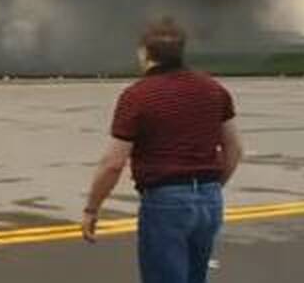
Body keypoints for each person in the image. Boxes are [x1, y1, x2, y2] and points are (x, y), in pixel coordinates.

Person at [81, 17, 244, 283]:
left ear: (145, 52)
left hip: (166, 202)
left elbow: (113, 163)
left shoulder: (138, 96)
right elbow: (234, 148)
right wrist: (209, 189)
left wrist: (91, 209)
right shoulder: (213, 89)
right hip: (210, 200)